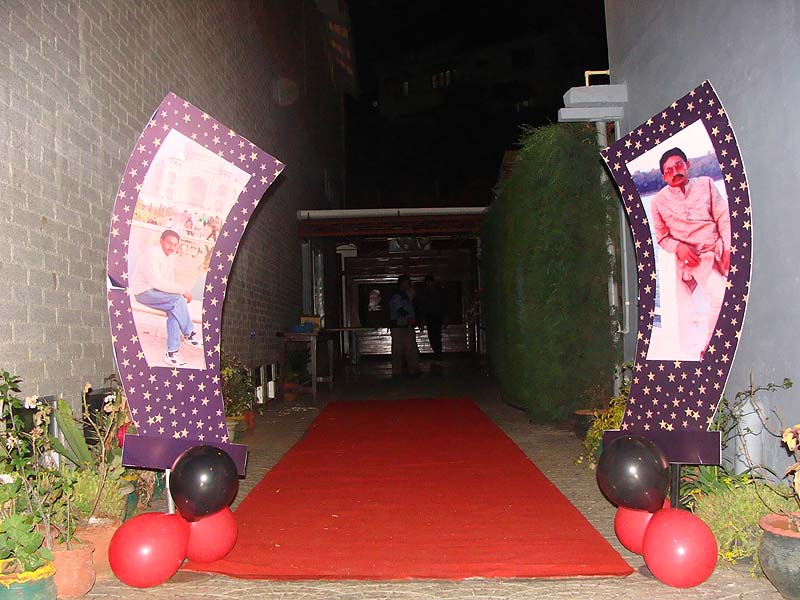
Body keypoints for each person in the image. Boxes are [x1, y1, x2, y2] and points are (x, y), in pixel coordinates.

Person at [650, 147, 731, 359]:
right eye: (668, 171)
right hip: (697, 259)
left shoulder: (706, 184)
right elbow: (662, 238)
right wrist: (679, 247)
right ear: (664, 177)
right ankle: (711, 348)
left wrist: (728, 248)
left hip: (720, 247)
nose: (675, 172)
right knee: (722, 296)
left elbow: (724, 217)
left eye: (678, 165)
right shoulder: (658, 202)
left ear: (687, 165)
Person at [130, 229, 202, 367]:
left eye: (175, 245)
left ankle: (172, 354)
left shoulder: (169, 256)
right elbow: (156, 282)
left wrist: (176, 292)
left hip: (156, 292)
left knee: (174, 309)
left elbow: (168, 280)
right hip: (143, 292)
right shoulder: (152, 254)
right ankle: (189, 334)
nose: (172, 247)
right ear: (161, 241)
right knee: (177, 300)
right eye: (169, 243)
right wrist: (182, 290)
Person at [389, 275, 420, 377]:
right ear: (403, 283)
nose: (409, 284)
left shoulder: (405, 295)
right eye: (407, 282)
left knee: (409, 347)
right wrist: (408, 317)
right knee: (399, 349)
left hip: (405, 324)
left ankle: (412, 369)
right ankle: (400, 371)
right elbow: (398, 308)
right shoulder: (397, 295)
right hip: (399, 324)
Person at [417, 275, 447, 358]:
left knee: (436, 336)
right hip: (430, 317)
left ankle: (438, 352)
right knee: (432, 336)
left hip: (437, 316)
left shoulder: (438, 292)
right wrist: (422, 320)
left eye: (430, 282)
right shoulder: (425, 294)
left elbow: (443, 305)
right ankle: (437, 352)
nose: (429, 284)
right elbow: (423, 308)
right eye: (427, 283)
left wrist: (445, 317)